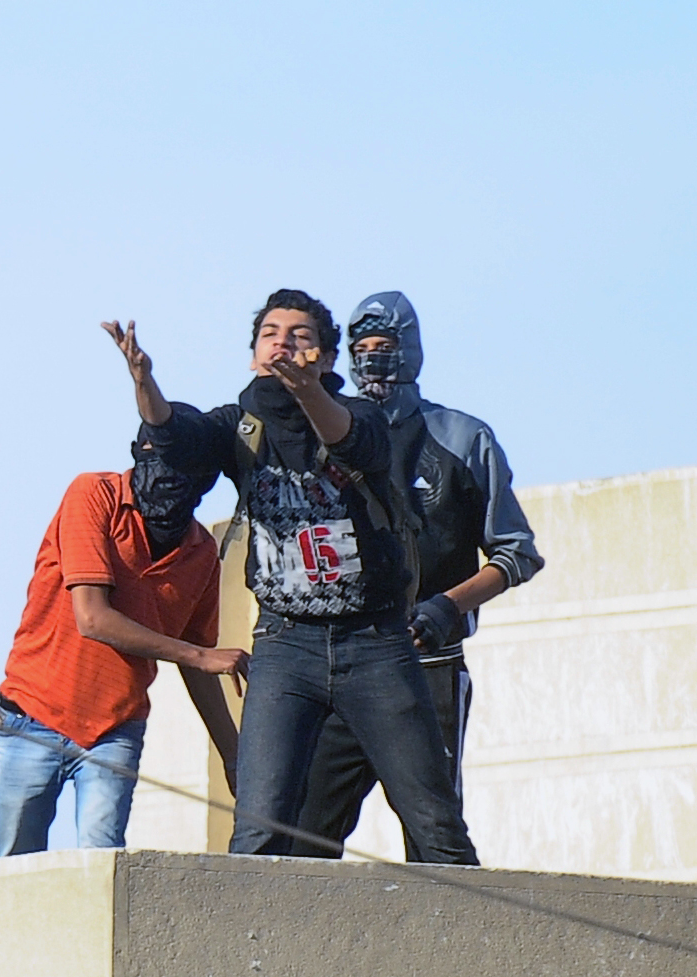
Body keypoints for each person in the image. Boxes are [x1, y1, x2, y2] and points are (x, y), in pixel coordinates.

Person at [105, 290, 478, 864]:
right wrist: (144, 383)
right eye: (270, 335)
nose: (282, 343)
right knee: (261, 824)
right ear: (254, 355)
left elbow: (351, 443)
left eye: (299, 336)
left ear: (326, 359)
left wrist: (306, 391)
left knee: (434, 822)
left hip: (375, 644)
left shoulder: (365, 416)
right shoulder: (240, 425)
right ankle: (249, 923)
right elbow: (178, 436)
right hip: (286, 644)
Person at [290, 291, 544, 859]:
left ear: (410, 349)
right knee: (303, 834)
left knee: (435, 836)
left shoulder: (464, 438)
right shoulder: (325, 437)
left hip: (428, 667)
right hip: (344, 666)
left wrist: (447, 606)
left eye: (383, 344)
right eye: (360, 347)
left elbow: (516, 552)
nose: (371, 358)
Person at [0, 437, 247, 856]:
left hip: (115, 729)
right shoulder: (93, 495)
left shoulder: (201, 553)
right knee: (12, 864)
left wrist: (233, 757)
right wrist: (200, 656)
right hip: (32, 715)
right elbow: (93, 618)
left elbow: (199, 663)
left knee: (104, 863)